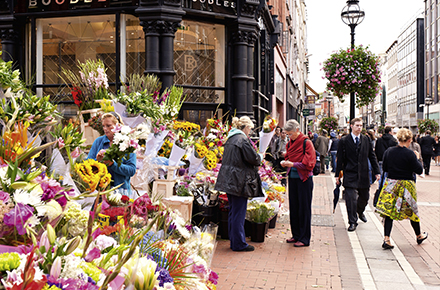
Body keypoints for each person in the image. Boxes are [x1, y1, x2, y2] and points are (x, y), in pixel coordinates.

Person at [214, 116, 264, 252]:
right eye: (250, 129)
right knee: (238, 213)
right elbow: (254, 159)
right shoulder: (242, 140)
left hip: (230, 180)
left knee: (234, 212)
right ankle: (238, 244)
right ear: (246, 127)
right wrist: (260, 156)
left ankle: (234, 240)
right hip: (238, 181)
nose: (250, 132)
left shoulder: (231, 138)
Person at [375, 128, 428, 249]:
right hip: (406, 185)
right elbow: (419, 170)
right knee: (412, 211)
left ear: (398, 139)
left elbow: (386, 168)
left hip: (391, 184)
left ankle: (387, 239)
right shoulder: (410, 153)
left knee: (388, 212)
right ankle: (419, 235)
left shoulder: (389, 151)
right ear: (409, 140)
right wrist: (417, 158)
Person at [335, 118, 380, 231]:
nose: (359, 127)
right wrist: (337, 175)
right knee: (351, 199)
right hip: (350, 173)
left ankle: (360, 212)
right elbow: (340, 158)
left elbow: (372, 156)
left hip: (364, 174)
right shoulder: (344, 140)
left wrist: (377, 172)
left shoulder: (366, 139)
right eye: (357, 125)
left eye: (361, 125)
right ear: (351, 126)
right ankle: (352, 222)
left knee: (364, 197)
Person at [280, 119, 316, 247]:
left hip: (304, 179)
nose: (289, 136)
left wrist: (292, 164)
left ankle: (304, 238)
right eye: (287, 134)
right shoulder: (289, 144)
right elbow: (289, 156)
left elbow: (310, 163)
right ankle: (296, 235)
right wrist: (286, 162)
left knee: (304, 208)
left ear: (297, 130)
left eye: (290, 133)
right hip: (293, 178)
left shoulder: (307, 142)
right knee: (294, 207)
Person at [87, 112, 136, 195]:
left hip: (121, 191)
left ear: (118, 126)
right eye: (103, 126)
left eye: (108, 125)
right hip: (101, 191)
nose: (105, 129)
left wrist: (113, 164)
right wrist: (97, 161)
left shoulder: (127, 143)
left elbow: (131, 170)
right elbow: (87, 165)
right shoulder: (98, 142)